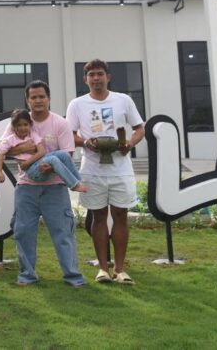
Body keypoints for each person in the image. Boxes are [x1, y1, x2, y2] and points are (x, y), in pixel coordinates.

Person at [66, 59, 145, 285]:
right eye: (91, 75)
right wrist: (86, 142)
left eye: (100, 74)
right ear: (85, 79)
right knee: (98, 217)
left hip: (121, 169)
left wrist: (129, 143)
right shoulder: (77, 104)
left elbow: (140, 128)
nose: (96, 78)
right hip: (92, 170)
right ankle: (102, 269)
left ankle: (120, 269)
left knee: (120, 216)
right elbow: (69, 134)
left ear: (108, 77)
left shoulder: (123, 100)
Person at [1, 81, 86, 287]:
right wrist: (25, 148)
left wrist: (48, 164)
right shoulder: (19, 122)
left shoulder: (60, 123)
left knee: (63, 233)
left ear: (48, 98)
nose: (38, 101)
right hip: (26, 186)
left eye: (42, 97)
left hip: (54, 187)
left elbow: (67, 153)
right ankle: (27, 275)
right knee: (23, 232)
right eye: (33, 97)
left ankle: (73, 276)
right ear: (27, 100)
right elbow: (2, 150)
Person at [0, 108, 88, 192]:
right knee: (53, 159)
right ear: (13, 126)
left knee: (64, 154)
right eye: (19, 125)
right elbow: (0, 154)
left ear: (30, 125)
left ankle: (79, 180)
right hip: (32, 171)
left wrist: (27, 162)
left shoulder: (32, 134)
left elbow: (42, 151)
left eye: (25, 124)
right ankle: (73, 185)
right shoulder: (10, 140)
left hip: (35, 162)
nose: (22, 128)